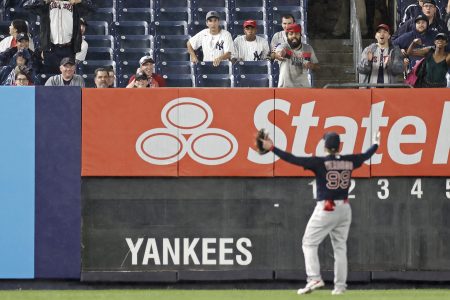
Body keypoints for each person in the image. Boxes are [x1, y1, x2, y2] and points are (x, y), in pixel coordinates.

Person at [258, 131, 380, 295]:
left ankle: (314, 278)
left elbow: (293, 159)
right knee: (340, 248)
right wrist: (376, 144)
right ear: (340, 146)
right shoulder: (350, 161)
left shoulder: (319, 162)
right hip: (344, 209)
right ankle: (340, 287)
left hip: (326, 208)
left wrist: (272, 148)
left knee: (308, 243)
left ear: (324, 146)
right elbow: (366, 155)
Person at [25, 0, 93, 73]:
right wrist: (44, 1)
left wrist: (80, 1)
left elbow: (92, 8)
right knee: (50, 76)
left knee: (68, 77)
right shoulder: (46, 4)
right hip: (51, 48)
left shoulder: (74, 4)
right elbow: (27, 6)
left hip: (69, 48)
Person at [275, 24, 319, 88]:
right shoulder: (282, 46)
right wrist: (281, 53)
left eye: (296, 34)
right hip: (285, 88)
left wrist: (311, 65)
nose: (294, 36)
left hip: (303, 87)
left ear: (300, 35)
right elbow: (278, 54)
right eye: (291, 34)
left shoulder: (308, 48)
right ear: (287, 36)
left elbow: (317, 66)